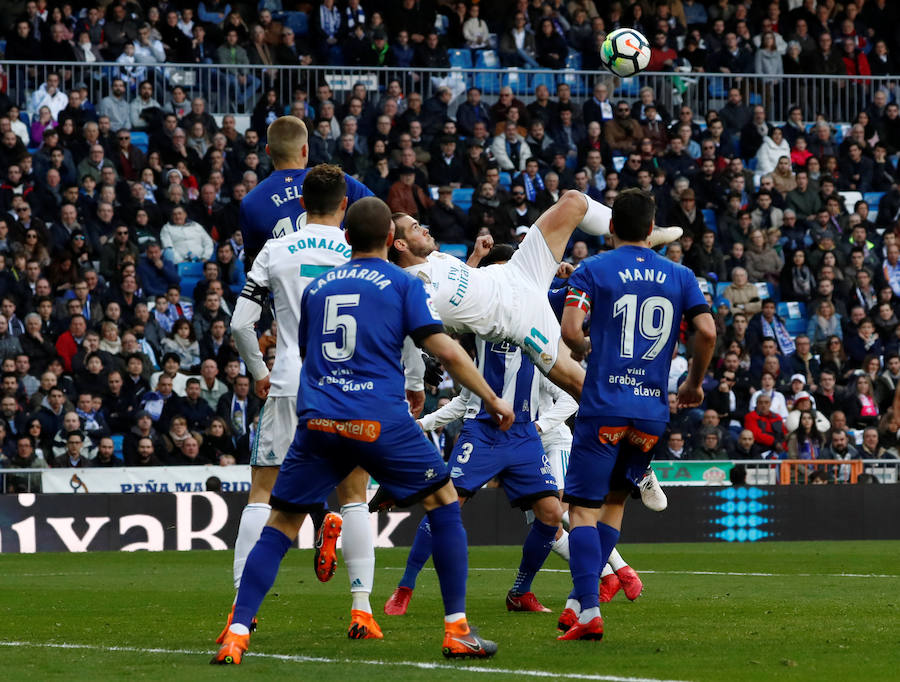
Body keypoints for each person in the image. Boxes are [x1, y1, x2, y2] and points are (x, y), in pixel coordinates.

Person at [213, 197, 513, 664]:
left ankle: (236, 633)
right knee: (443, 502)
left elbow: (310, 353)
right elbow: (447, 352)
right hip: (378, 419)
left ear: (347, 239)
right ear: (392, 242)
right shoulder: (402, 282)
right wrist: (492, 399)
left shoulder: (318, 289)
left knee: (280, 524)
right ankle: (456, 629)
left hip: (319, 420)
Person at [557, 189, 716, 640]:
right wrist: (693, 382)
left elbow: (570, 330)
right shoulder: (681, 275)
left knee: (581, 511)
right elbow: (705, 329)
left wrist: (583, 346)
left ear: (609, 229)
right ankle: (576, 602)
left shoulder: (592, 269)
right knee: (613, 504)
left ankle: (589, 611)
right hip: (650, 413)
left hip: (604, 406)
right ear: (652, 231)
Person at [229, 164, 378, 634]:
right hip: (350, 389)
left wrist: (259, 371)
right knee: (354, 496)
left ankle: (240, 610)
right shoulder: (359, 251)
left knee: (262, 495)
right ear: (344, 205)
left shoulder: (276, 249)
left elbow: (239, 323)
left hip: (290, 383)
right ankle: (361, 608)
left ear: (300, 205)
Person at [384, 247, 568, 617]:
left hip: (524, 433)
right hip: (484, 430)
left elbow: (570, 293)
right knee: (446, 504)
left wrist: (567, 273)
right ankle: (404, 587)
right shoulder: (485, 311)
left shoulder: (537, 302)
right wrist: (470, 263)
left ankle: (520, 592)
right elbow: (454, 298)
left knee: (550, 514)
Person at [389, 194, 683, 410]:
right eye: (416, 228)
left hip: (518, 272)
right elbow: (410, 326)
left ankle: (637, 235)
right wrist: (415, 383)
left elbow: (463, 288)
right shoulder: (415, 285)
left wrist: (476, 259)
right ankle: (640, 468)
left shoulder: (433, 258)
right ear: (400, 245)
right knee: (584, 388)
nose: (424, 229)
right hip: (521, 320)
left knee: (573, 201)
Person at [239, 116, 372, 269]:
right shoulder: (332, 178)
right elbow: (377, 214)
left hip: (283, 288)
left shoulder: (250, 201)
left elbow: (254, 262)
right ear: (305, 149)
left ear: (268, 151)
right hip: (336, 283)